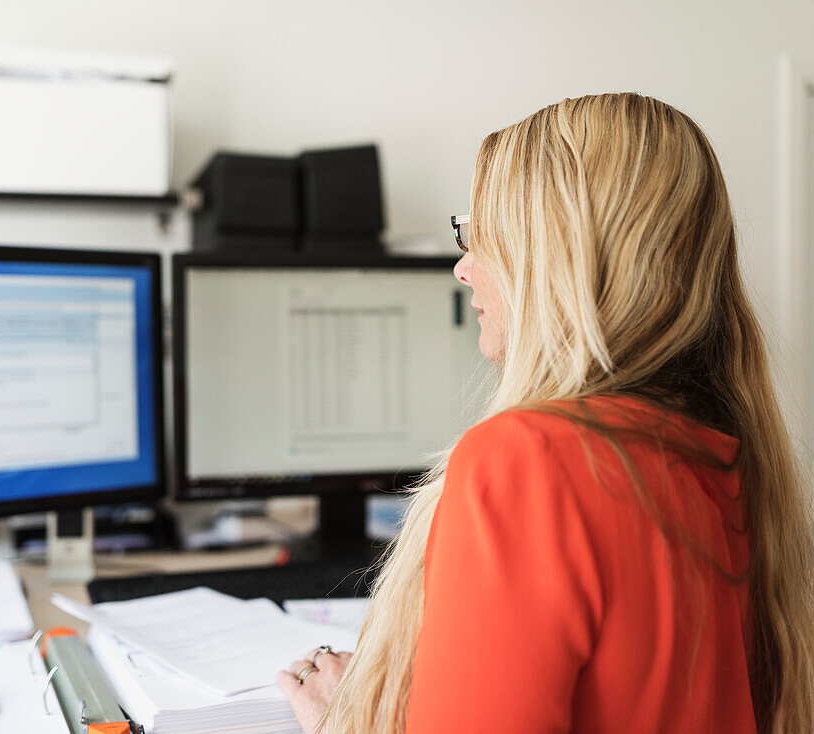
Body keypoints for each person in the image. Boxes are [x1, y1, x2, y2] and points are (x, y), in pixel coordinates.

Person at [275, 93, 814, 733]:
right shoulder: (721, 459)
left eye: (486, 235)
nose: (464, 265)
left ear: (554, 260)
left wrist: (347, 719)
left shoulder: (529, 462)